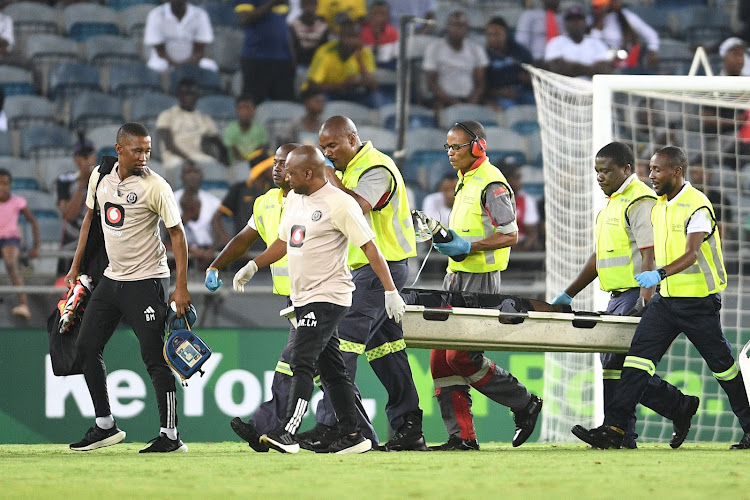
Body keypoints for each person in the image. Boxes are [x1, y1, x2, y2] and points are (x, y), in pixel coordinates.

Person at [572, 146, 750, 450]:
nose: (651, 176)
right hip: (665, 302)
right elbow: (650, 250)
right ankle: (614, 429)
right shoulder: (660, 205)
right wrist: (649, 293)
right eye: (650, 169)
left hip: (699, 303)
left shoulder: (697, 206)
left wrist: (658, 275)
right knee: (635, 364)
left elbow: (692, 255)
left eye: (657, 170)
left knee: (723, 368)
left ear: (677, 171)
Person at [232, 145, 407, 454]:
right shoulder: (296, 199)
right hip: (303, 296)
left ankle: (287, 430)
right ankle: (354, 435)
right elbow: (284, 242)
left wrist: (390, 291)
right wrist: (253, 265)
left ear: (309, 174)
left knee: (301, 360)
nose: (284, 175)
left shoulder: (340, 204)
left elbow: (370, 248)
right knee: (333, 370)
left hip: (328, 296)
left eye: (291, 171)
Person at [551, 142, 699, 449]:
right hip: (616, 295)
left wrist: (645, 300)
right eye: (597, 171)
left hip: (636, 293)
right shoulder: (611, 204)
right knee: (614, 363)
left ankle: (619, 431)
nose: (600, 176)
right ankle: (663, 413)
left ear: (627, 169)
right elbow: (599, 257)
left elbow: (650, 253)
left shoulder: (639, 201)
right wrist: (568, 294)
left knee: (619, 363)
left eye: (606, 170)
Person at [66, 122, 191, 453]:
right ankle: (105, 426)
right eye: (138, 150)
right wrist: (76, 265)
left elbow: (177, 235)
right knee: (86, 346)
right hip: (112, 278)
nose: (144, 156)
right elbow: (90, 221)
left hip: (147, 281)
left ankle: (171, 435)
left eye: (148, 150)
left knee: (154, 357)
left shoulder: (157, 187)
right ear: (119, 149)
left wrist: (180, 287)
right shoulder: (100, 177)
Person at [308, 115, 426, 452]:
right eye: (323, 147)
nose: (327, 152)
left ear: (351, 138)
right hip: (372, 271)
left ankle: (337, 429)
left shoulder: (377, 168)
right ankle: (409, 429)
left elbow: (358, 210)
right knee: (388, 353)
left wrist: (328, 178)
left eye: (332, 145)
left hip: (379, 270)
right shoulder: (350, 171)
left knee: (339, 345)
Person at [428, 121, 542, 450]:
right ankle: (462, 437)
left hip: (480, 279)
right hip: (456, 276)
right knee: (439, 359)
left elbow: (510, 234)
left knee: (461, 356)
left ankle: (524, 402)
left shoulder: (492, 184)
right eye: (447, 147)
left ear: (478, 146)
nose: (450, 153)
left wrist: (467, 247)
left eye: (457, 147)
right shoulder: (465, 180)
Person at [156, 78, 228, 181]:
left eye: (192, 94)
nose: (188, 97)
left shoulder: (204, 118)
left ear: (197, 96)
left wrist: (223, 158)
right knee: (188, 168)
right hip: (175, 157)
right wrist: (189, 161)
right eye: (185, 93)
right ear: (179, 95)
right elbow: (169, 145)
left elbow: (218, 142)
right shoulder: (167, 115)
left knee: (214, 166)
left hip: (198, 156)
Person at [304, 20, 379, 108]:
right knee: (318, 99)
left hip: (353, 93)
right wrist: (342, 85)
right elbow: (313, 85)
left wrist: (360, 61)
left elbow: (373, 87)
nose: (351, 41)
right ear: (340, 36)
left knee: (375, 99)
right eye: (348, 37)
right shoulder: (325, 51)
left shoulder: (365, 52)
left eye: (355, 37)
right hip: (330, 93)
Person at [422, 11, 487, 110]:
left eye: (461, 26)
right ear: (447, 26)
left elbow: (480, 83)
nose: (457, 29)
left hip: (469, 100)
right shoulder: (434, 48)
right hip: (443, 101)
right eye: (454, 25)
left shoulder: (476, 49)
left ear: (467, 28)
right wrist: (452, 102)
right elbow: (431, 83)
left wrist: (471, 103)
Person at [235, 0, 296, 103]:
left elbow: (284, 25)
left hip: (283, 59)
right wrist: (272, 3)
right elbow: (245, 18)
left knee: (284, 104)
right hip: (256, 58)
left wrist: (293, 58)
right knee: (253, 102)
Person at [212, 150, 275, 245]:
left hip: (267, 250)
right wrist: (230, 244)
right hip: (244, 251)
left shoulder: (274, 190)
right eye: (271, 167)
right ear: (261, 169)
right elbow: (216, 218)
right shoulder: (239, 189)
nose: (275, 169)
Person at [0, 168, 39, 320]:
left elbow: (33, 222)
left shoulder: (18, 202)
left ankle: (24, 304)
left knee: (11, 263)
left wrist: (36, 247)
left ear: (10, 185)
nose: (2, 187)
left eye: (5, 183)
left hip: (10, 239)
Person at [56, 134, 97, 276]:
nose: (86, 159)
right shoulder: (65, 181)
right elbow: (69, 215)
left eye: (89, 154)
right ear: (75, 158)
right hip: (71, 244)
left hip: (96, 244)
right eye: (81, 155)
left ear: (95, 156)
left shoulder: (104, 180)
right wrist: (82, 183)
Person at [143, 0, 218, 73]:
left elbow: (199, 50)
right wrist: (176, 65)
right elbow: (160, 51)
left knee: (211, 66)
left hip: (192, 61)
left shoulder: (200, 15)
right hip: (164, 60)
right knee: (154, 66)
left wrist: (186, 65)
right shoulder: (156, 14)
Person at [172, 161, 221, 269]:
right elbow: (166, 236)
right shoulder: (170, 200)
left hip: (208, 252)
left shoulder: (213, 201)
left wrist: (211, 251)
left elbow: (220, 235)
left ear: (202, 175)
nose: (192, 175)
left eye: (196, 172)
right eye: (188, 172)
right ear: (182, 177)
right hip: (179, 252)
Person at [589, 0, 659, 72]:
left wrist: (652, 51)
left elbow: (651, 34)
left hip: (626, 62)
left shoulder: (627, 16)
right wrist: (600, 20)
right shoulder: (591, 20)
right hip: (603, 63)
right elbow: (592, 45)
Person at [544, 6, 611, 79]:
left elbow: (603, 71)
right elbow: (557, 70)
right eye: (571, 20)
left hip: (591, 88)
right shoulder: (555, 43)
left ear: (585, 22)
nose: (575, 23)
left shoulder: (597, 43)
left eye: (579, 19)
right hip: (563, 88)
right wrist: (591, 69)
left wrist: (572, 67)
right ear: (565, 23)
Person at [484, 16, 534, 110]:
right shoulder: (484, 56)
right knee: (511, 109)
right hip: (500, 96)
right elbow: (483, 87)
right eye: (490, 35)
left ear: (506, 34)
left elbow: (533, 74)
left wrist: (527, 78)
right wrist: (500, 92)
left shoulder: (519, 51)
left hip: (522, 91)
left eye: (497, 34)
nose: (493, 38)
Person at [502, 161, 540, 252]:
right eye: (514, 177)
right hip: (498, 245)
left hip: (521, 244)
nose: (519, 181)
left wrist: (523, 248)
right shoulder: (492, 199)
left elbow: (532, 232)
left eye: (519, 177)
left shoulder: (526, 200)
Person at [222, 95, 269, 166]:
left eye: (248, 108)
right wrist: (244, 164)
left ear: (254, 110)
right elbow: (234, 152)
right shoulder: (230, 130)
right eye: (241, 108)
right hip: (235, 165)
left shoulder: (260, 129)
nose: (245, 112)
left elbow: (260, 150)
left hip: (256, 163)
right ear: (236, 110)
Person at [515, 0, 564, 65]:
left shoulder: (565, 17)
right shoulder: (529, 15)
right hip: (536, 62)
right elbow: (521, 42)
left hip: (561, 64)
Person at [288, 0, 330, 70]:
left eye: (312, 4)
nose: (309, 7)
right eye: (306, 4)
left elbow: (324, 50)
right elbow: (292, 50)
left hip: (317, 67)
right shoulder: (294, 26)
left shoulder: (323, 27)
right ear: (301, 5)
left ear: (316, 6)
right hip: (299, 66)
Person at [360, 0, 399, 70]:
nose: (379, 17)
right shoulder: (361, 32)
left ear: (388, 16)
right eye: (376, 13)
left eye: (382, 14)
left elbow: (394, 59)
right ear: (370, 15)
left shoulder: (394, 33)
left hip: (388, 68)